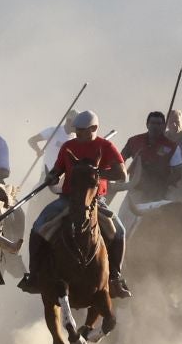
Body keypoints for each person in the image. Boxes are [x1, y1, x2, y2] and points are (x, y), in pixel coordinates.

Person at [20, 110, 131, 299]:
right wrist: (52, 176)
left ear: (94, 128)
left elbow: (122, 174)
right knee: (38, 226)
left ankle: (115, 277)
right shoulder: (68, 146)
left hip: (96, 200)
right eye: (76, 130)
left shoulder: (106, 146)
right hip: (68, 198)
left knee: (119, 231)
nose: (77, 133)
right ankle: (35, 274)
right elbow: (57, 169)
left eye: (81, 130)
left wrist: (95, 174)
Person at [120, 112, 181, 201]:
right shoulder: (134, 141)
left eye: (158, 124)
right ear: (147, 125)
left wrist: (163, 185)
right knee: (124, 215)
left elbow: (178, 173)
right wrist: (122, 176)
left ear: (164, 126)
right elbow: (120, 159)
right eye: (152, 123)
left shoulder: (172, 147)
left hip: (160, 194)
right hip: (135, 191)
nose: (155, 126)